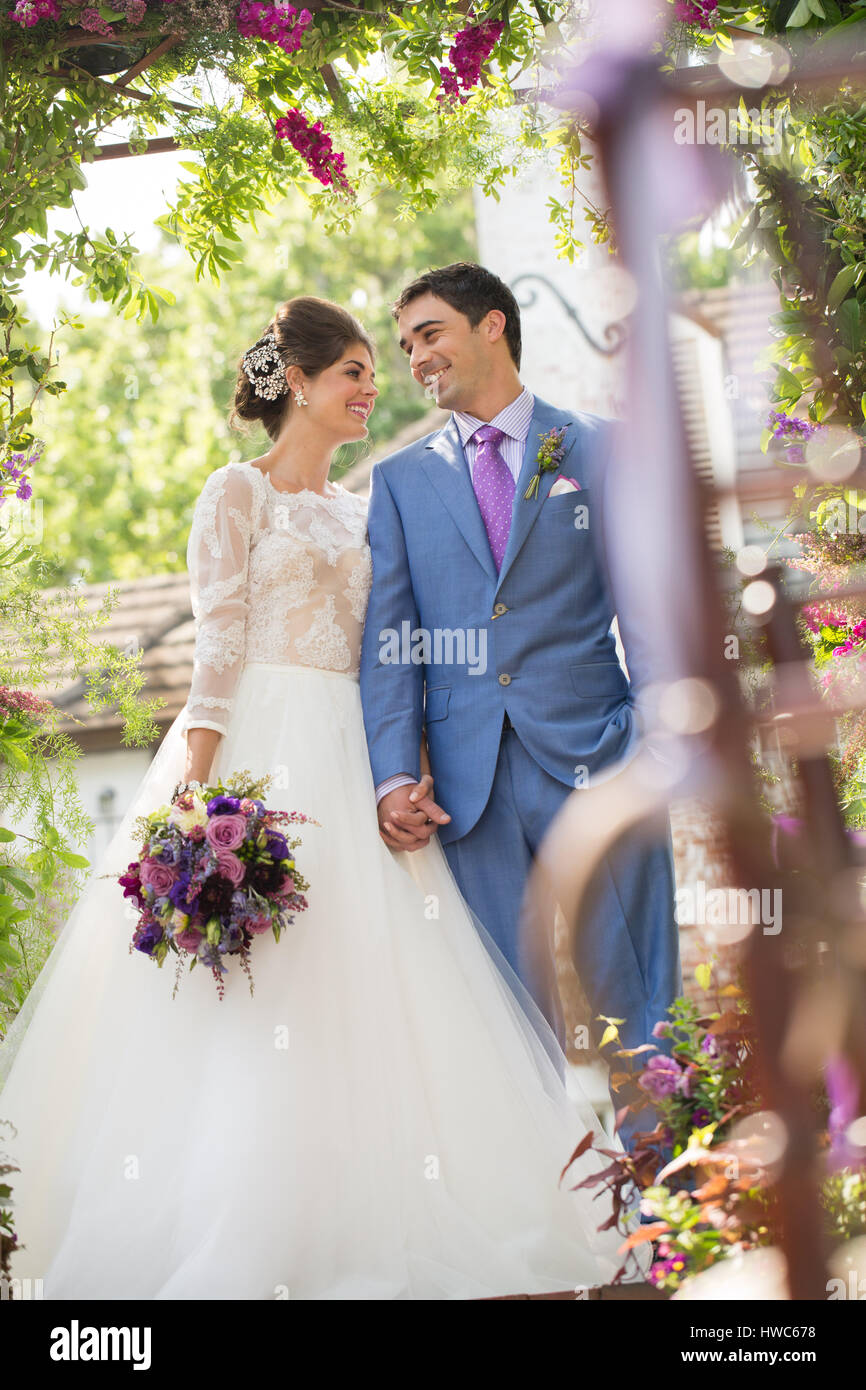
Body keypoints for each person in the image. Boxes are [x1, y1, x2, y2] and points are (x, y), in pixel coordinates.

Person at [0, 295, 642, 1300]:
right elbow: (216, 649)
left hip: (361, 755)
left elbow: (398, 648)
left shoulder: (366, 506)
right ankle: (247, 1234)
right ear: (295, 380)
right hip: (261, 743)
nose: (371, 386)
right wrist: (195, 799)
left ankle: (420, 1215)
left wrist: (413, 761)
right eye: (353, 370)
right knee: (259, 990)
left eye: (373, 369)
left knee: (389, 981)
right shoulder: (234, 494)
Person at [361, 263, 682, 1152]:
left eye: (430, 334)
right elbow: (391, 640)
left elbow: (648, 605)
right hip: (467, 793)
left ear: (492, 325)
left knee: (642, 997)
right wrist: (394, 773)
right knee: (505, 1025)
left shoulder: (603, 449)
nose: (416, 358)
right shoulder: (397, 485)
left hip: (600, 759)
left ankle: (685, 1216)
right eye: (405, 347)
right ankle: (564, 1235)